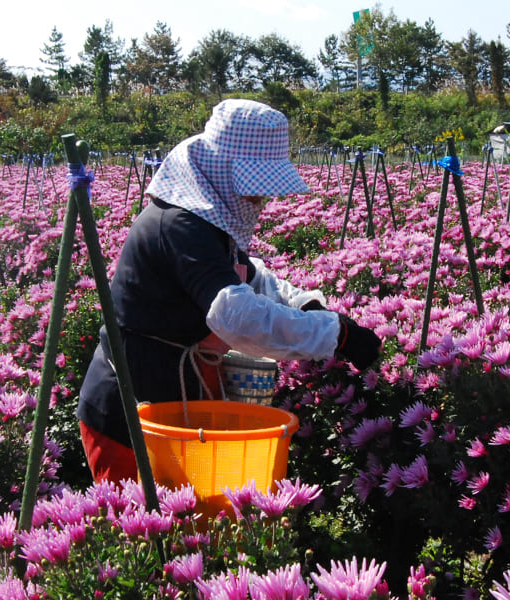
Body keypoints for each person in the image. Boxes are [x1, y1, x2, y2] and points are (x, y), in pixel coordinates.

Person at [77, 99, 381, 484]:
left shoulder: (207, 222)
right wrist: (335, 335)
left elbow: (251, 276)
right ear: (221, 167)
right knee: (141, 529)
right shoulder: (181, 225)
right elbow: (235, 314)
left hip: (175, 404)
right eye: (255, 185)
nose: (261, 198)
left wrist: (307, 304)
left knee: (189, 525)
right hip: (129, 413)